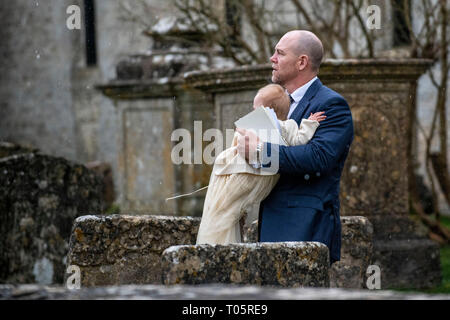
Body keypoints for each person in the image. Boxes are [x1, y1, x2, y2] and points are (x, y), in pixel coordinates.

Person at [236, 30, 354, 264]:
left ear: (302, 62)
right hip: (271, 221)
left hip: (305, 223)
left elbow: (318, 158)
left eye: (280, 53)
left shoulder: (331, 104)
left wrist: (261, 152)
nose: (272, 58)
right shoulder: (276, 102)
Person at [196, 83, 326, 245]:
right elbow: (300, 140)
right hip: (256, 173)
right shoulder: (282, 126)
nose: (252, 112)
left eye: (255, 108)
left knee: (222, 210)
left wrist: (310, 123)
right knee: (224, 209)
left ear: (268, 110)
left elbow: (299, 141)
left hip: (250, 173)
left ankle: (214, 240)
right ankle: (218, 236)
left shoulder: (282, 126)